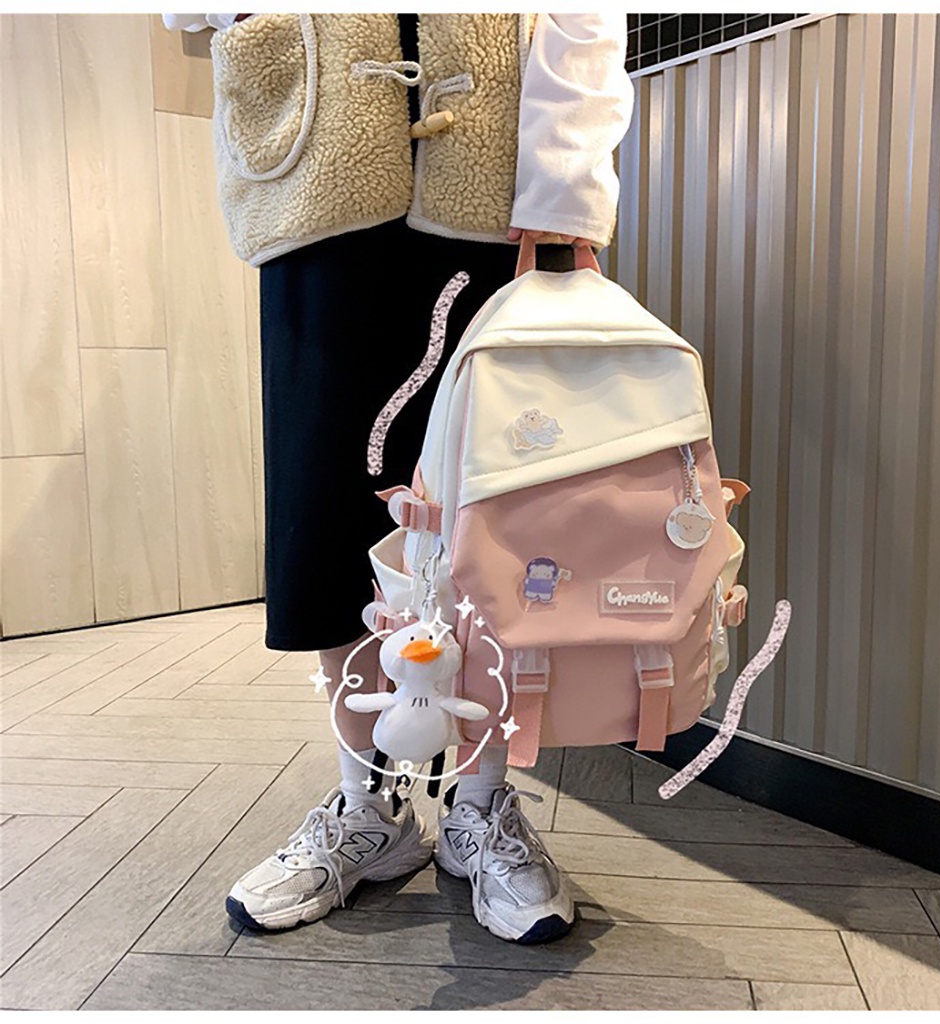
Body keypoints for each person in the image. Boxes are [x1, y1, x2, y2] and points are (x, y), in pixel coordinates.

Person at [163, 12, 633, 944]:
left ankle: (479, 804)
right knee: (327, 506)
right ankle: (369, 808)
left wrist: (567, 190)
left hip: (494, 181)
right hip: (315, 163)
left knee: (499, 520)